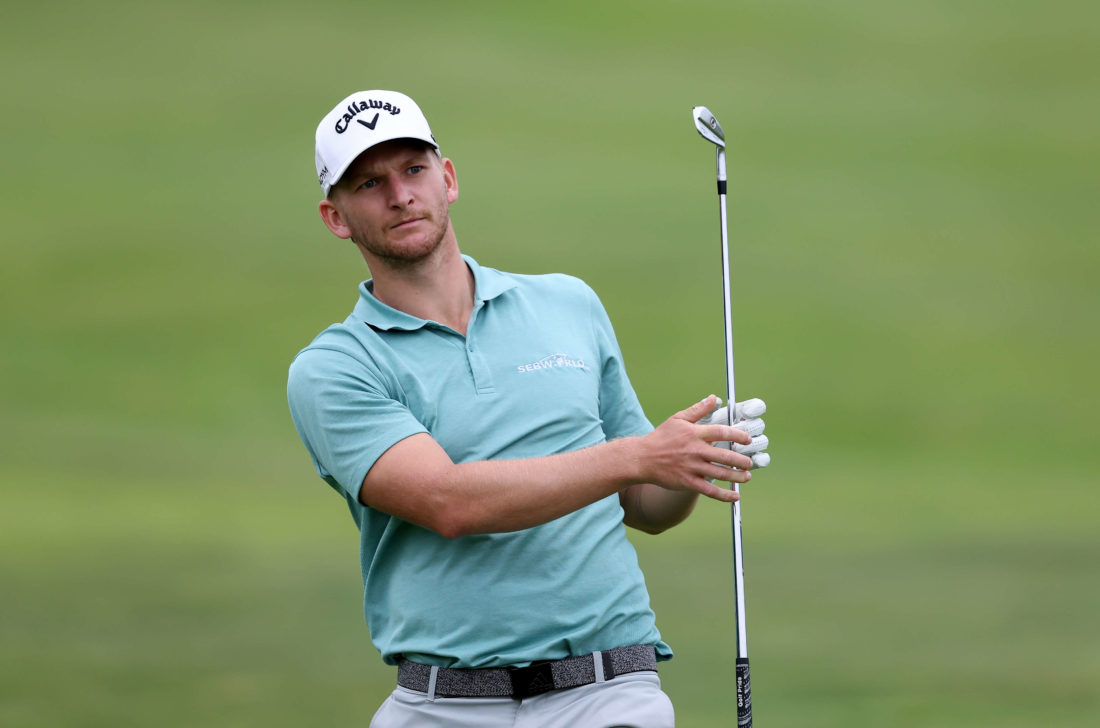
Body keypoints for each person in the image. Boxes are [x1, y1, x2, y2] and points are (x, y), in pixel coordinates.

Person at [287, 89, 771, 728]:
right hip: (440, 705)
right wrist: (640, 454)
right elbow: (448, 503)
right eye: (370, 182)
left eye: (414, 170)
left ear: (448, 178)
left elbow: (644, 507)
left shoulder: (568, 305)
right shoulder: (336, 367)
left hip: (607, 689)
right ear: (336, 217)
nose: (400, 195)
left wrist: (694, 456)